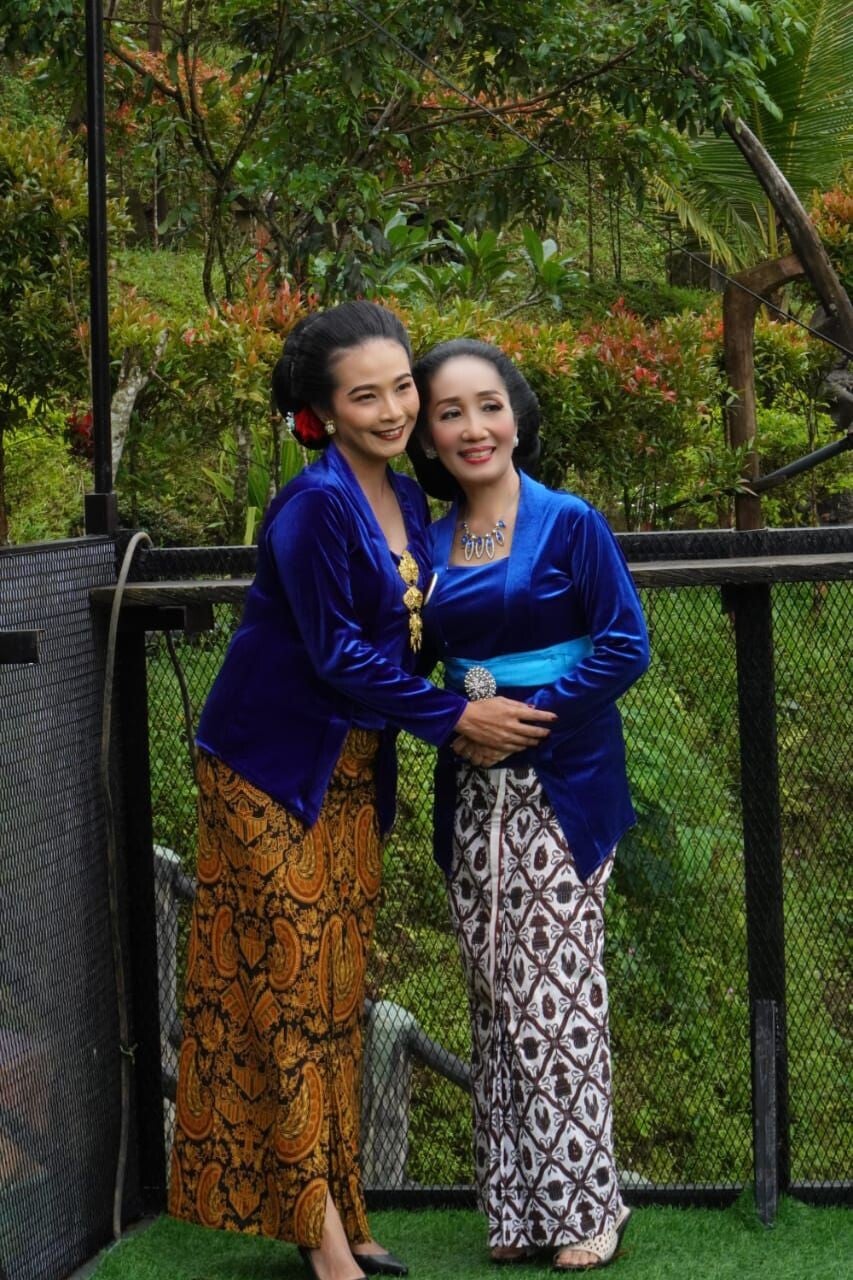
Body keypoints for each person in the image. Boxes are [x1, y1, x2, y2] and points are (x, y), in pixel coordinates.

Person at [168, 304, 555, 1280]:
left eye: (402, 388)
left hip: (349, 778)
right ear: (324, 411)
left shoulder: (408, 502)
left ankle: (346, 1207)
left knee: (337, 997)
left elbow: (422, 625)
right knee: (289, 997)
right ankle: (324, 1241)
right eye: (365, 395)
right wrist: (454, 718)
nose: (392, 410)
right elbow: (339, 654)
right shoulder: (312, 507)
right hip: (267, 771)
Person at [409, 339, 649, 1273]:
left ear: (515, 415)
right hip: (470, 785)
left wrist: (526, 718)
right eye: (449, 413)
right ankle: (512, 1207)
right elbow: (406, 666)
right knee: (491, 993)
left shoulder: (569, 522)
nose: (473, 427)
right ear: (428, 436)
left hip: (564, 781)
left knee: (555, 995)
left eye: (489, 405)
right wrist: (453, 722)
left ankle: (588, 1206)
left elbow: (624, 645)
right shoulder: (423, 543)